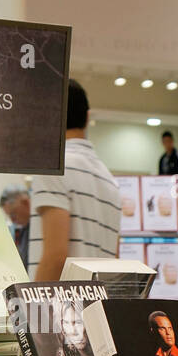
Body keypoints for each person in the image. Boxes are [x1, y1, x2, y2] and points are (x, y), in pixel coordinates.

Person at [29, 79, 122, 280]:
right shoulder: (109, 180)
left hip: (57, 308)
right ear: (87, 118)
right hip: (96, 306)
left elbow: (56, 257)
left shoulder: (54, 168)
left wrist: (30, 310)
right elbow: (114, 259)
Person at [0, 186, 31, 268]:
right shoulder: (23, 230)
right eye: (9, 216)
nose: (12, 220)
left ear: (26, 202)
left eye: (13, 214)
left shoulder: (37, 227)